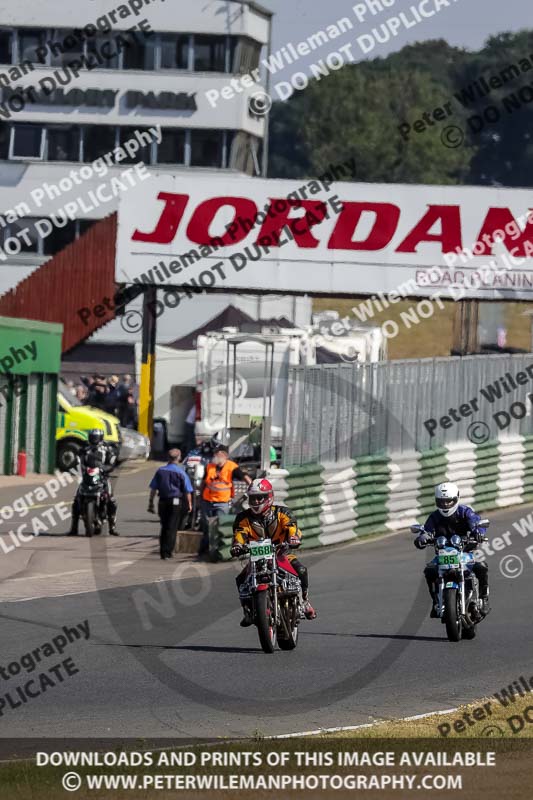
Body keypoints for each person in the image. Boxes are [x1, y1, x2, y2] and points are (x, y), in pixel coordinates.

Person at [230, 478, 317, 626]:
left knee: (301, 570)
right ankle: (248, 611)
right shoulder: (242, 518)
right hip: (256, 558)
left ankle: (305, 601)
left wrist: (294, 538)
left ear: (269, 497)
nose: (256, 502)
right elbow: (240, 534)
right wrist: (237, 545)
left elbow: (292, 528)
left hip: (281, 554)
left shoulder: (283, 512)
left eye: (259, 498)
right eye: (253, 498)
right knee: (241, 579)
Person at [414, 481, 490, 617]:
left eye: (449, 501)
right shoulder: (434, 517)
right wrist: (422, 538)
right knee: (430, 570)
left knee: (481, 567)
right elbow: (426, 530)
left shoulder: (465, 512)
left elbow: (477, 522)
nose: (445, 505)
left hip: (464, 552)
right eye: (442, 502)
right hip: (442, 554)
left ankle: (483, 599)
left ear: (456, 499)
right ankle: (436, 601)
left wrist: (478, 532)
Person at [199, 445, 252, 556]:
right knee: (206, 526)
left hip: (222, 503)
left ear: (224, 456)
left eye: (218, 454)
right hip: (207, 501)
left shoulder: (232, 467)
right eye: (215, 454)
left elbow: (245, 477)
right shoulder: (209, 466)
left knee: (220, 526)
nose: (215, 457)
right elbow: (204, 482)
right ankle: (205, 550)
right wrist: (199, 496)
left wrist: (253, 487)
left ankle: (219, 550)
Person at [67, 428, 118, 536]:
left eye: (96, 438)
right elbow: (79, 461)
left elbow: (112, 461)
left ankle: (112, 527)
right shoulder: (85, 449)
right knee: (76, 500)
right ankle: (73, 528)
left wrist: (106, 468)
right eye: (92, 438)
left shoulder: (107, 449)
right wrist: (79, 468)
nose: (94, 440)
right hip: (87, 477)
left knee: (111, 500)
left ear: (100, 438)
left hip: (102, 477)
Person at [148, 450, 193, 559]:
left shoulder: (160, 471)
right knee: (172, 527)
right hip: (175, 501)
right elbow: (187, 491)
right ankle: (168, 551)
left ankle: (162, 550)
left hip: (162, 501)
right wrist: (190, 504)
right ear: (178, 458)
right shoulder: (181, 472)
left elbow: (153, 488)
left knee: (164, 526)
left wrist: (151, 502)